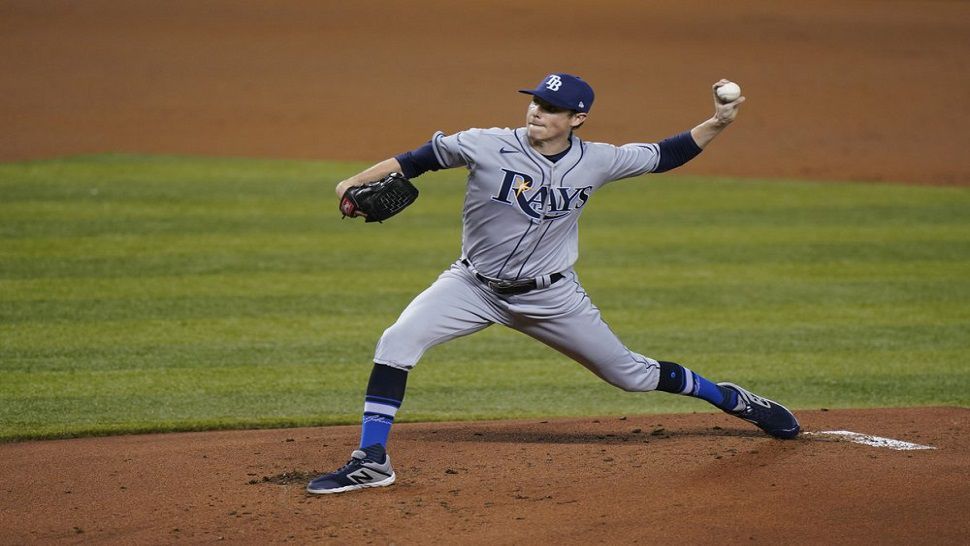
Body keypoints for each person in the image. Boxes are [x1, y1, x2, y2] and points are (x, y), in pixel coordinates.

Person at [307, 73, 799, 495]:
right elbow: (412, 162)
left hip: (552, 296)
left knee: (631, 376)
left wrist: (717, 123)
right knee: (397, 341)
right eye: (537, 101)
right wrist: (349, 186)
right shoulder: (482, 142)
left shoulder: (598, 159)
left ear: (577, 119)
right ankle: (372, 459)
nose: (538, 112)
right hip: (472, 287)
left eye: (553, 108)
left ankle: (731, 398)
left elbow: (665, 154)